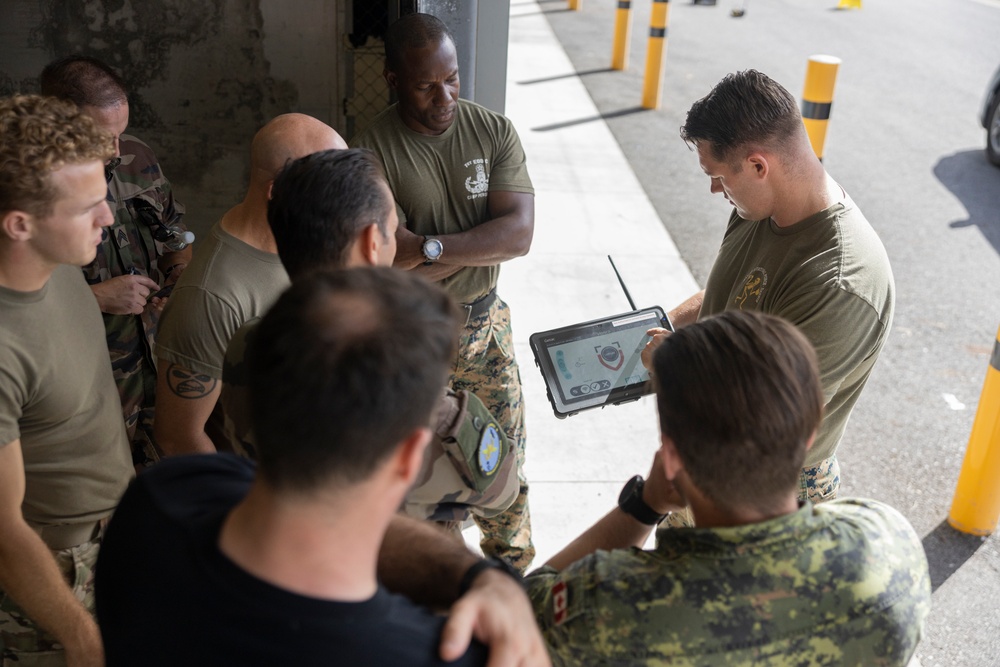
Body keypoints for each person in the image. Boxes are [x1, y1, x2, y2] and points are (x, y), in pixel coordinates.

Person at [96, 267, 550, 667]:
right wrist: (488, 577)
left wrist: (475, 575)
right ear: (411, 456)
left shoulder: (161, 501)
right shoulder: (442, 653)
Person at [528, 310, 930, 665]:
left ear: (671, 457)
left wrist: (643, 506)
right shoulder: (890, 545)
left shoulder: (612, 607)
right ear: (812, 429)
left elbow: (526, 609)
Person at [220, 148, 519, 530]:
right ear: (370, 243)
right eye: (393, 230)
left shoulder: (246, 344)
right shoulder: (412, 394)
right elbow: (502, 490)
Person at [643, 69, 894, 503]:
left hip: (770, 490)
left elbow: (765, 423)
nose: (713, 188)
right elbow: (735, 294)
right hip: (708, 457)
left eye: (718, 175)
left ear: (759, 165)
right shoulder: (758, 207)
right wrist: (662, 322)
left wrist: (673, 363)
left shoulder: (839, 281)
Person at [353, 12, 536, 571]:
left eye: (452, 79)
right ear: (391, 79)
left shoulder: (494, 131)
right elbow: (388, 261)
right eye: (426, 84)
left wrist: (430, 249)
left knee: (502, 470)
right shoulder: (369, 151)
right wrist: (475, 246)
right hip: (415, 341)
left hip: (488, 333)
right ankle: (451, 587)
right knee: (424, 486)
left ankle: (513, 579)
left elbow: (520, 234)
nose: (444, 96)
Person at [0, 94, 134, 667]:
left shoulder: (62, 265)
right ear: (20, 224)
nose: (108, 218)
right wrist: (79, 635)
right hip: (55, 577)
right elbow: (3, 533)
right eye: (88, 208)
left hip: (119, 536)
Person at [153, 113, 346, 455]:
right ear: (279, 192)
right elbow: (178, 437)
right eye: (329, 186)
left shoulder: (309, 241)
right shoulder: (211, 296)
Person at [39, 55, 191, 469]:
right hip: (85, 379)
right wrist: (95, 298)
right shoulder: (25, 188)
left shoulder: (136, 157)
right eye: (102, 136)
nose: (116, 150)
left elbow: (176, 231)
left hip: (155, 360)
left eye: (121, 133)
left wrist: (177, 272)